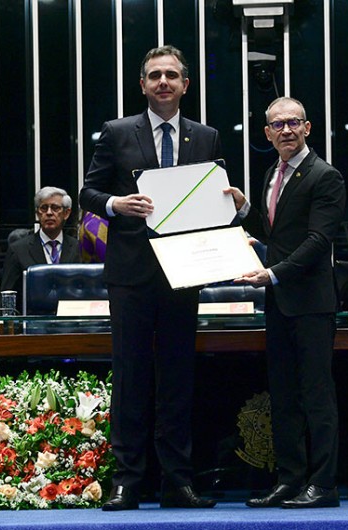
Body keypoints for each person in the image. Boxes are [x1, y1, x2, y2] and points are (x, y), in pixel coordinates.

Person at [79, 45, 222, 511]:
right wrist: (115, 204)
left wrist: (232, 206)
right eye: (155, 75)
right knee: (131, 377)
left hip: (185, 270)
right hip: (131, 274)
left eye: (172, 75)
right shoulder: (117, 131)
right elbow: (87, 192)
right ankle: (127, 482)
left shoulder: (207, 137)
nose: (164, 82)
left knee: (178, 380)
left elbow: (211, 201)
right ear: (142, 85)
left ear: (185, 85)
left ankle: (177, 482)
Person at [224, 96, 345, 508]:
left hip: (311, 304)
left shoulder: (325, 176)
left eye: (294, 122)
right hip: (278, 302)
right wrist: (245, 209)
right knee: (283, 396)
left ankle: (323, 484)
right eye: (278, 124)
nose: (286, 130)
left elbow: (318, 240)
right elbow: (274, 234)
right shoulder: (271, 174)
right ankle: (290, 480)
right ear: (267, 133)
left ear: (307, 128)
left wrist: (273, 273)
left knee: (317, 397)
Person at [0, 186, 80, 312]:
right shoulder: (18, 250)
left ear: (66, 213)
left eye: (55, 208)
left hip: (71, 319)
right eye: (44, 208)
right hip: (32, 320)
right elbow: (8, 296)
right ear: (37, 213)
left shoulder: (79, 248)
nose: (49, 213)